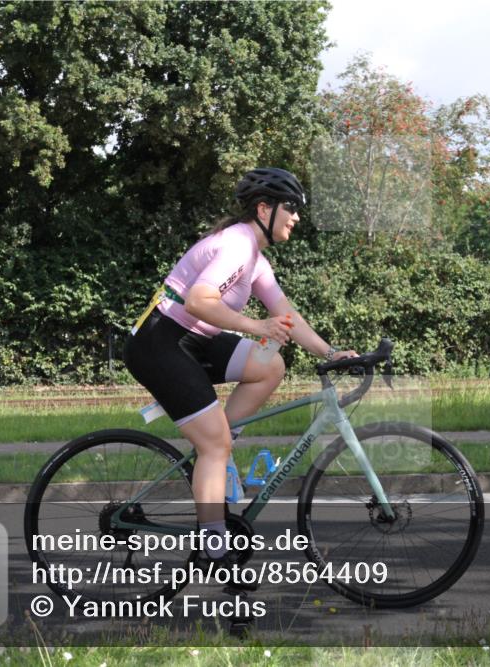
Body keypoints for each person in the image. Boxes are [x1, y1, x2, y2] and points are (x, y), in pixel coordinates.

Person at [123, 167, 357, 563]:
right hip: (159, 343)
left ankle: (218, 451)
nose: (297, 217)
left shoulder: (255, 257)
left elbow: (286, 315)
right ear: (264, 208)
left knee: (269, 365)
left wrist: (331, 353)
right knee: (214, 443)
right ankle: (213, 544)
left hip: (195, 340)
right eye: (291, 208)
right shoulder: (236, 245)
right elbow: (199, 301)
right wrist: (255, 325)